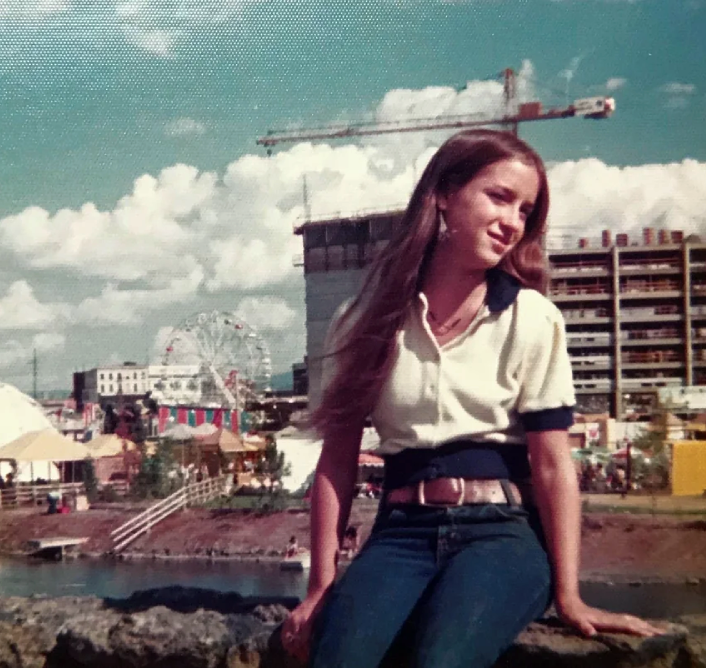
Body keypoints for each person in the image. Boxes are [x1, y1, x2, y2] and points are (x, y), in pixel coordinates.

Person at [280, 129, 661, 668]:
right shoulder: (361, 321)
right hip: (399, 534)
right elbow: (336, 459)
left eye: (526, 210)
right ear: (443, 193)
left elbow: (552, 465)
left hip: (500, 537)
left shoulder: (533, 318)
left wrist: (569, 594)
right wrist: (321, 587)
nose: (513, 222)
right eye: (499, 197)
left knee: (442, 661)